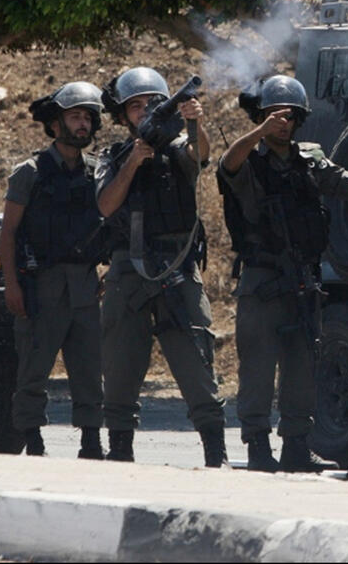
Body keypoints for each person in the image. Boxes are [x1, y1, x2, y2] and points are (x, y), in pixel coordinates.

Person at [218, 75, 348, 472]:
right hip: (262, 280)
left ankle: (296, 445)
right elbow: (229, 164)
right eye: (274, 116)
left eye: (290, 116)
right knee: (258, 367)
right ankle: (257, 448)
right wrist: (257, 132)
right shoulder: (249, 160)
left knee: (302, 365)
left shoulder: (310, 159)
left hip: (302, 280)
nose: (283, 122)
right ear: (261, 117)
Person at [95, 66, 226, 467]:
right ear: (122, 116)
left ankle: (215, 453)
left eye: (151, 104)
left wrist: (194, 120)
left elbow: (200, 155)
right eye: (135, 107)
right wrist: (134, 162)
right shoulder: (113, 156)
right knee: (120, 367)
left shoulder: (180, 148)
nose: (144, 111)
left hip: (178, 269)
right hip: (128, 273)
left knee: (196, 365)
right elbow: (105, 205)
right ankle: (119, 452)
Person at [0, 82, 107, 458]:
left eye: (87, 118)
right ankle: (33, 438)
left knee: (90, 368)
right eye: (75, 116)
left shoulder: (98, 172)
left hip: (84, 284)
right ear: (56, 123)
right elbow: (8, 232)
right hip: (41, 284)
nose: (82, 124)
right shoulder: (30, 172)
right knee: (34, 366)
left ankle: (91, 440)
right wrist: (12, 284)